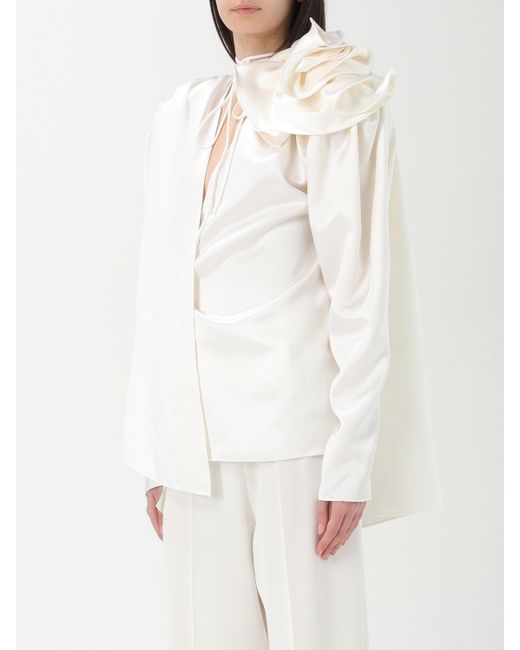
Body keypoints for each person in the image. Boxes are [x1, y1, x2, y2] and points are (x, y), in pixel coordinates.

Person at [121, 1, 443, 648]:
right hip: (196, 447)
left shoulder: (332, 101)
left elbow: (361, 291)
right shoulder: (185, 113)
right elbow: (160, 285)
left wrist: (350, 460)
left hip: (299, 441)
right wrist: (160, 448)